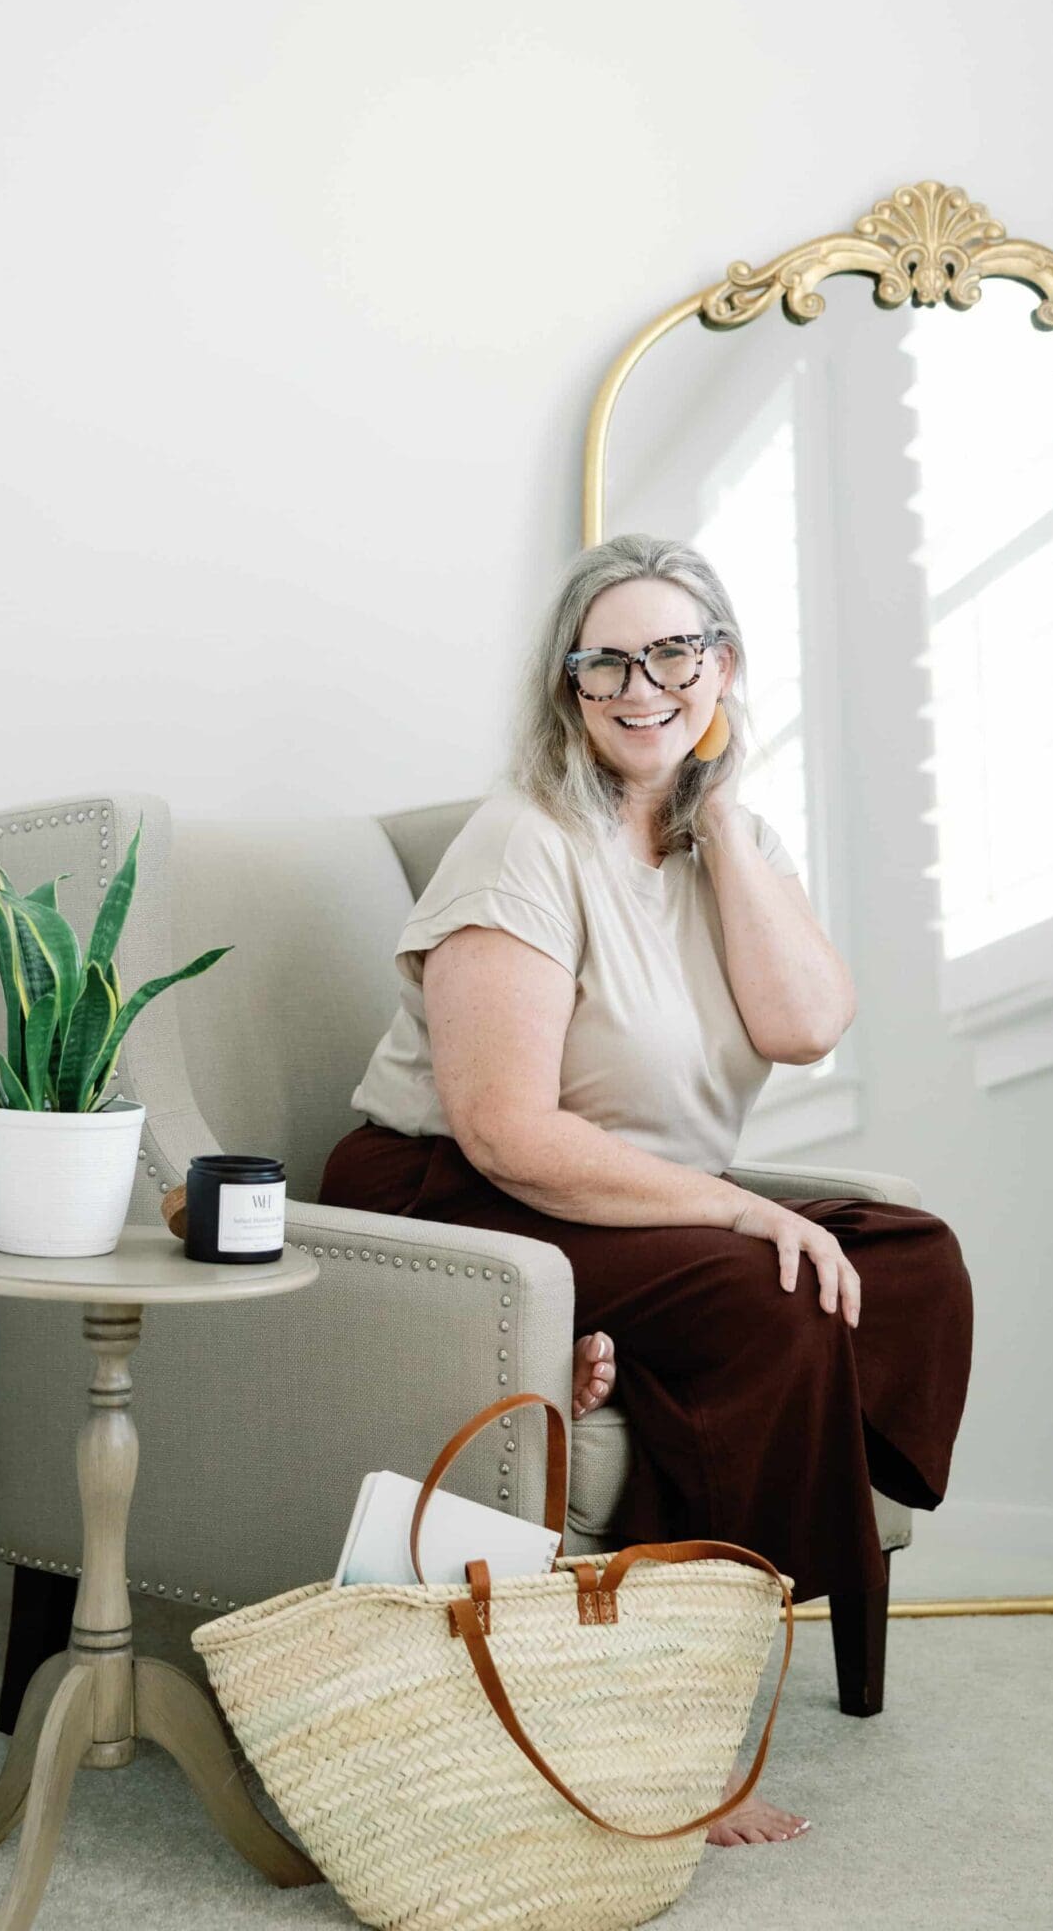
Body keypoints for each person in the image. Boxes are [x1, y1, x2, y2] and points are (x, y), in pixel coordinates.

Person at [318, 532, 973, 1847]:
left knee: (912, 1255)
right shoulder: (524, 840)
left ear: (724, 665)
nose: (641, 684)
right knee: (773, 1297)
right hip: (450, 1193)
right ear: (566, 688)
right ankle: (681, 1716)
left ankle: (674, 1426)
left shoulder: (720, 835)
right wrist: (738, 1208)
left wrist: (720, 814)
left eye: (675, 651)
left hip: (615, 1192)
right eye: (605, 661)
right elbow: (506, 1132)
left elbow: (804, 1023)